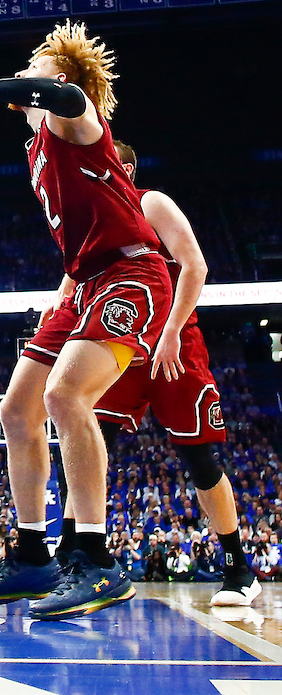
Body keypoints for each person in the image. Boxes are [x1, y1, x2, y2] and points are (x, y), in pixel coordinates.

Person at [0, 21, 171, 620]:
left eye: (32, 66)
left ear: (55, 76)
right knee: (16, 409)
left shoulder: (77, 122)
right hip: (82, 281)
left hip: (130, 275)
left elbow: (62, 96)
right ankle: (33, 555)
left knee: (66, 396)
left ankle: (95, 559)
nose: (24, 73)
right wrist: (62, 296)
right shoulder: (36, 146)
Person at [83, 141, 259, 607]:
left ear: (121, 167)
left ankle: (239, 568)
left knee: (201, 462)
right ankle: (83, 559)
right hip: (119, 345)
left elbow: (195, 266)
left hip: (171, 344)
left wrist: (172, 331)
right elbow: (77, 278)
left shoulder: (150, 202)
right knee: (88, 443)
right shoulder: (91, 220)